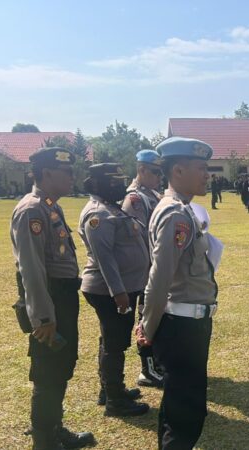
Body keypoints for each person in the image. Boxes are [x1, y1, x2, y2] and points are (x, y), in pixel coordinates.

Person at [137, 137, 219, 449]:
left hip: (189, 322)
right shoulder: (175, 214)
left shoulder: (183, 209)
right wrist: (148, 327)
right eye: (201, 168)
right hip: (182, 326)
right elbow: (159, 277)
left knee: (182, 407)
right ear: (179, 171)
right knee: (185, 411)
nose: (207, 174)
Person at [10, 148, 95, 450]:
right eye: (67, 172)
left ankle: (54, 429)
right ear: (47, 174)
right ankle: (44, 442)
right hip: (50, 301)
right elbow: (31, 269)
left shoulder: (49, 207)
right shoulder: (32, 210)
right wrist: (43, 317)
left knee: (61, 366)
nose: (72, 177)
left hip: (62, 297)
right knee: (48, 373)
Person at [78, 163, 150, 417]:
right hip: (109, 290)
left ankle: (109, 390)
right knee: (115, 343)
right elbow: (104, 257)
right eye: (113, 182)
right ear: (97, 185)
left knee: (112, 340)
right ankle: (115, 400)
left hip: (122, 287)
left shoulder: (112, 208)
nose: (120, 186)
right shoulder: (97, 214)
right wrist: (118, 292)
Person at [122, 149, 166, 388]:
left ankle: (158, 363)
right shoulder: (135, 199)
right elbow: (139, 236)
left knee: (158, 316)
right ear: (141, 170)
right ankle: (147, 370)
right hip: (145, 269)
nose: (160, 177)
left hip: (155, 266)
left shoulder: (152, 195)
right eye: (156, 172)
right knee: (146, 316)